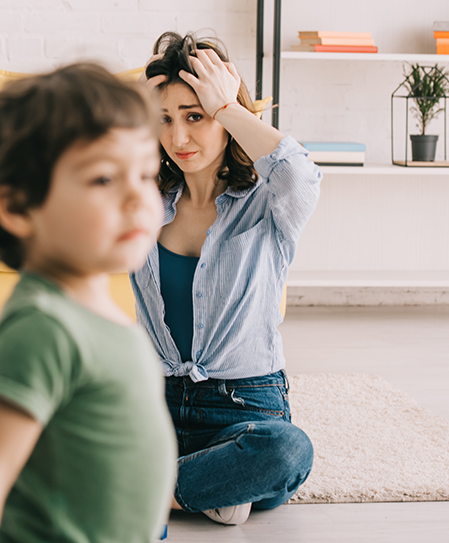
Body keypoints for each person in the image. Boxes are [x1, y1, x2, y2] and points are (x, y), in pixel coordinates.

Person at [0, 63, 177, 543]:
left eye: (147, 174)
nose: (138, 197)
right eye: (105, 179)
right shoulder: (44, 326)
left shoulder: (103, 312)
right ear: (20, 206)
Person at [132, 31, 320, 526]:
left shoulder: (266, 202)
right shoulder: (143, 202)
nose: (179, 138)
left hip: (243, 409)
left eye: (195, 116)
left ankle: (135, 489)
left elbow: (300, 174)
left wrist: (229, 108)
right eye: (165, 120)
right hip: (156, 406)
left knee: (286, 452)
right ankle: (205, 487)